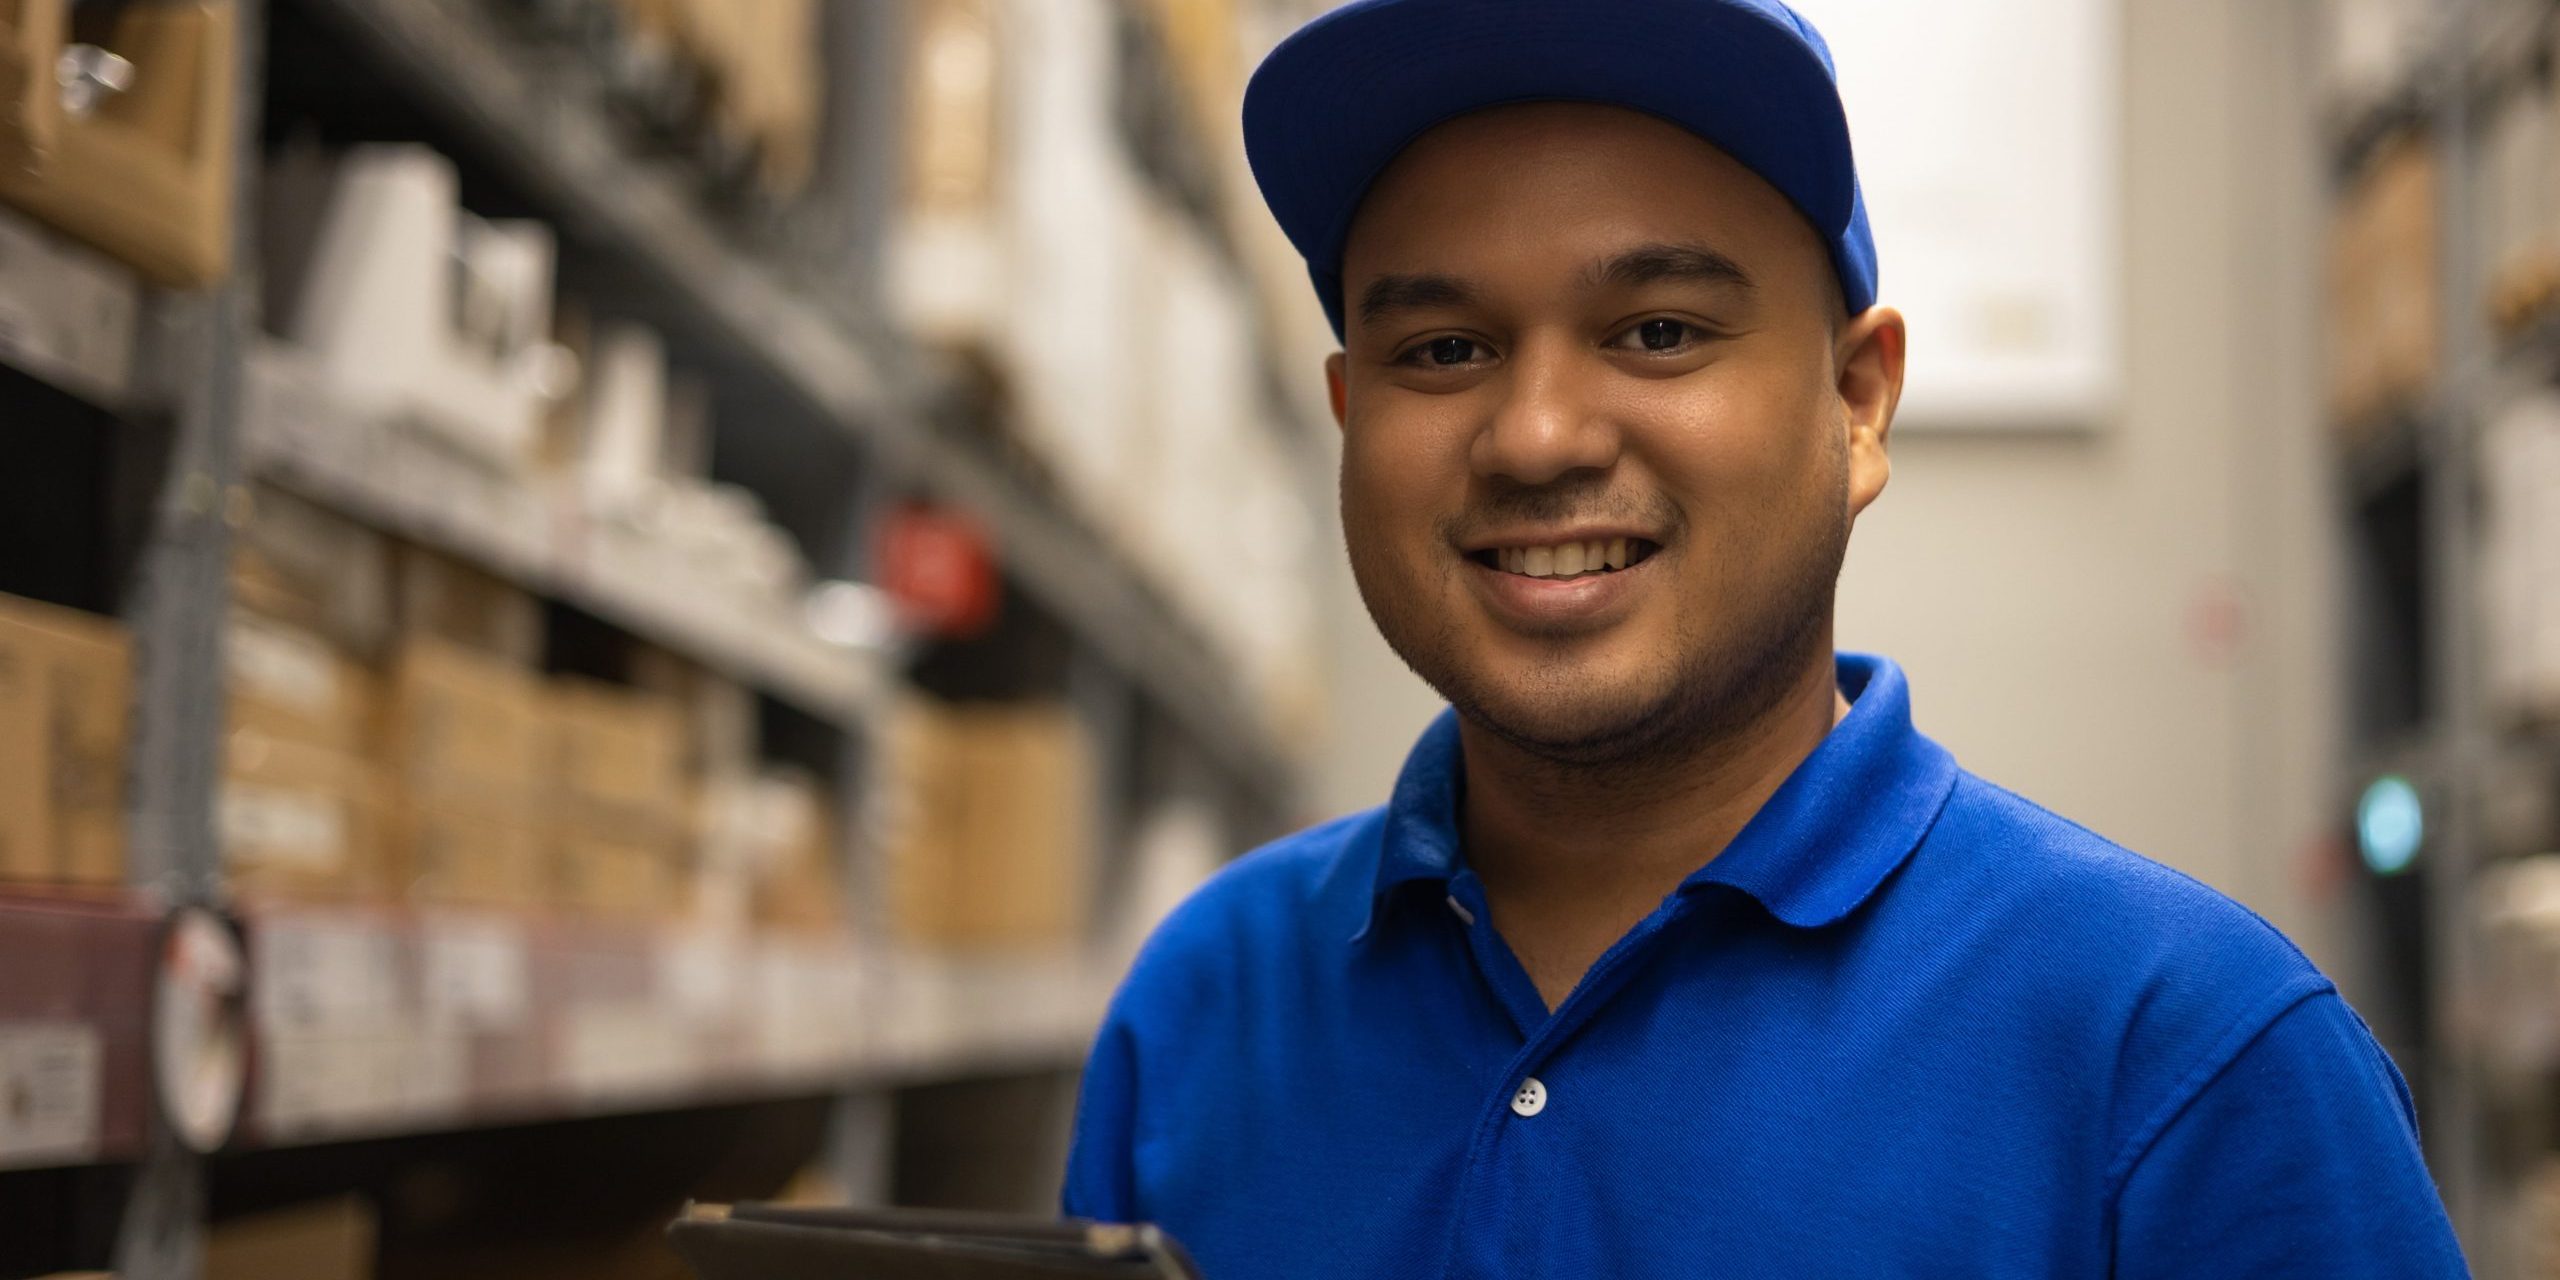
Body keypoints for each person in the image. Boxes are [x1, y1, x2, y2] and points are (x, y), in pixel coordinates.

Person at [1063, 1, 2470, 1275]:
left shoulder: (2184, 1063)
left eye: (1659, 329)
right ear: (1348, 414)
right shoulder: (1203, 1009)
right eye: (1442, 350)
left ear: (1857, 402)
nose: (1539, 434)